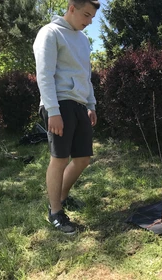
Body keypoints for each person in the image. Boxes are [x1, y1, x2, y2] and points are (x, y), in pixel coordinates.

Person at [33, 0, 100, 235]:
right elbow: (44, 74)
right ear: (71, 8)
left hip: (80, 104)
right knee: (59, 158)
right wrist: (52, 110)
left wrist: (90, 104)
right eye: (86, 15)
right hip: (58, 103)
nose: (89, 21)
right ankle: (55, 211)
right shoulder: (49, 33)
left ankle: (62, 197)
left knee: (83, 158)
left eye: (92, 17)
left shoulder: (82, 40)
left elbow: (86, 75)